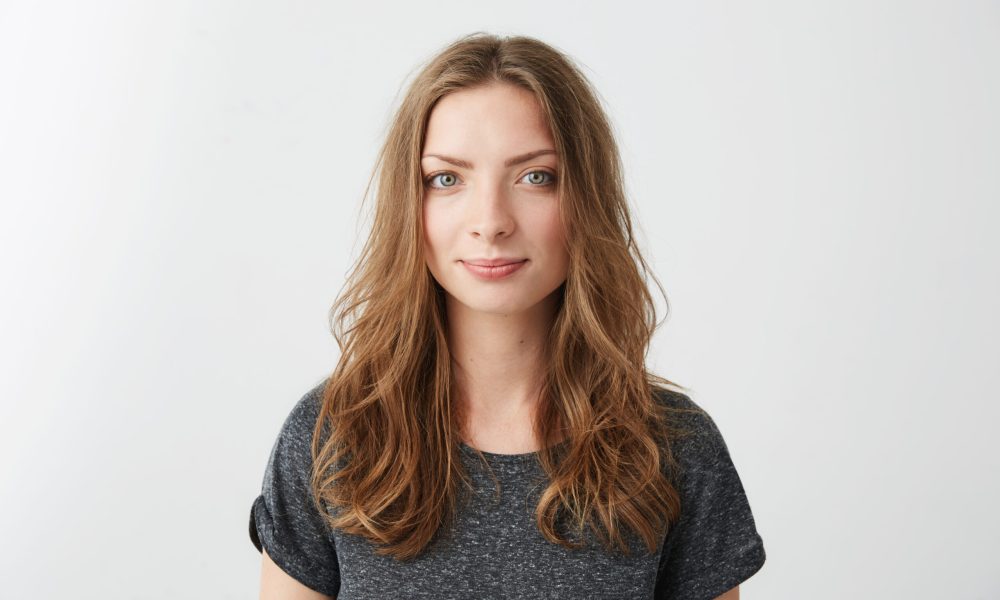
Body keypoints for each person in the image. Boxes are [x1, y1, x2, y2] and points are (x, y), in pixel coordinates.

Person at [249, 32, 766, 599]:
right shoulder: (332, 434)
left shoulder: (672, 445)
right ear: (409, 205)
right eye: (446, 179)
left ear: (584, 198)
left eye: (534, 176)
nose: (490, 221)